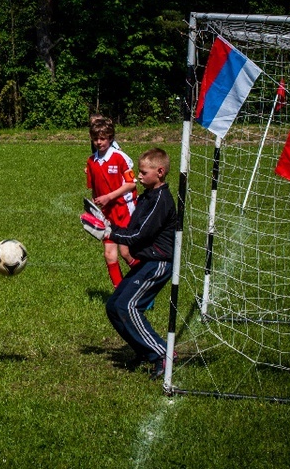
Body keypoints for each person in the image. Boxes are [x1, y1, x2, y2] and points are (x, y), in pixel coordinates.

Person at [81, 148, 177, 380]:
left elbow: (139, 237)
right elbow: (131, 230)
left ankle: (162, 354)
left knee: (128, 307)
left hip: (159, 263)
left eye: (143, 173)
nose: (138, 177)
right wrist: (109, 227)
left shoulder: (160, 201)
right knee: (114, 305)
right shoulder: (146, 197)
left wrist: (109, 234)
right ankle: (144, 351)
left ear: (160, 172)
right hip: (147, 261)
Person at [86, 116, 138, 288]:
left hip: (124, 210)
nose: (99, 142)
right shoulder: (91, 162)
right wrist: (94, 209)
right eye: (95, 139)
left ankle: (144, 285)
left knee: (125, 252)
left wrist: (109, 197)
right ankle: (121, 293)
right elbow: (94, 189)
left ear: (110, 138)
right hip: (107, 214)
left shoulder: (120, 157)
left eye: (103, 138)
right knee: (109, 255)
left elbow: (131, 184)